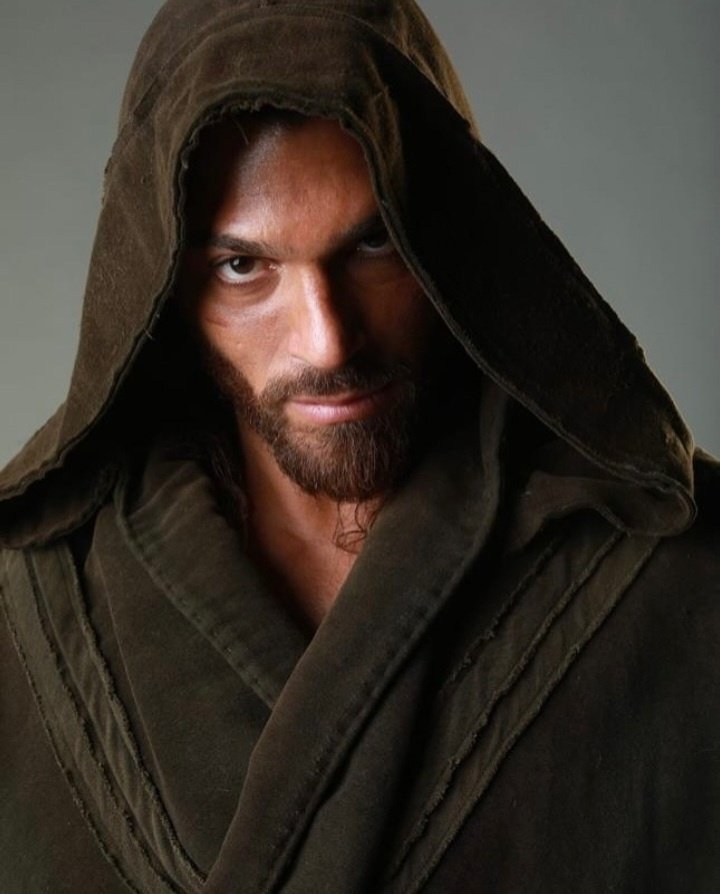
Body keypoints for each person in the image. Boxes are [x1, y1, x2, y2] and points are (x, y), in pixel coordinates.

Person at [1, 0, 718, 891]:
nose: (328, 341)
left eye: (374, 241)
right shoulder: (27, 612)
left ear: (450, 234)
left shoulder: (681, 578)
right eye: (244, 267)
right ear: (167, 285)